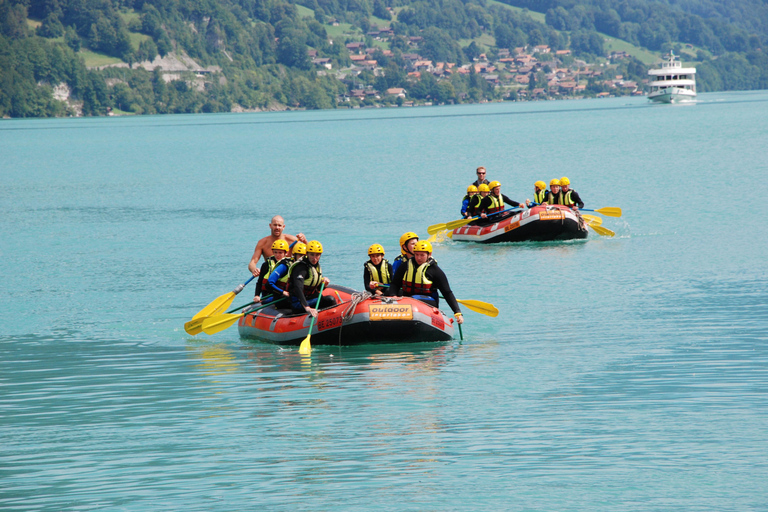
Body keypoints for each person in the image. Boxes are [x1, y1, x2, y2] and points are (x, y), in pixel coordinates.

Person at [385, 241, 464, 325]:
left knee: (414, 298)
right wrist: (393, 295)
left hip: (429, 301)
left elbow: (447, 292)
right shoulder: (405, 266)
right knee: (387, 292)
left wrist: (457, 312)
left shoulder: (435, 271)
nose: (419, 258)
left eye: (422, 255)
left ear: (429, 254)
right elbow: (395, 284)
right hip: (407, 299)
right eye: (416, 254)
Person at [287, 240, 335, 317]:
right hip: (298, 303)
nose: (314, 258)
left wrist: (324, 284)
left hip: (309, 298)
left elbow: (316, 288)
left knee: (326, 298)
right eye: (312, 255)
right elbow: (298, 288)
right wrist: (307, 307)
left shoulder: (315, 266)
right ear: (307, 254)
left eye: (317, 255)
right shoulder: (301, 268)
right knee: (330, 300)